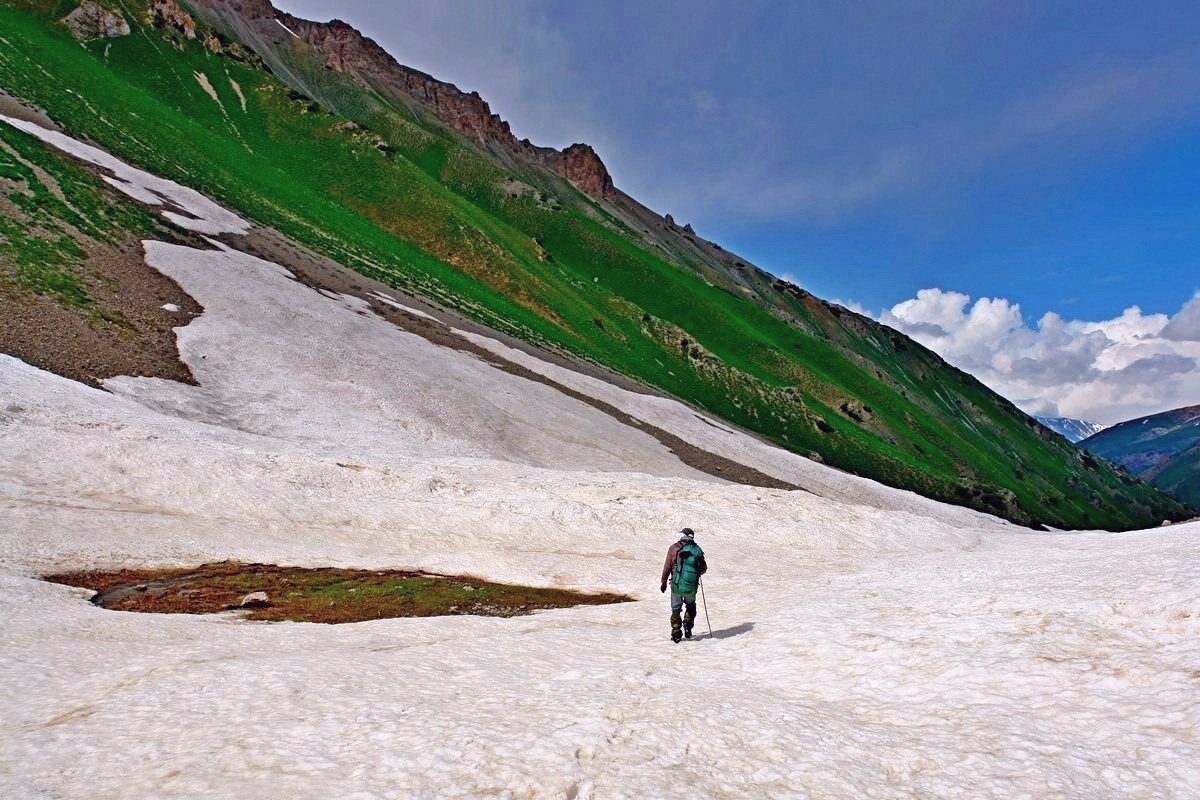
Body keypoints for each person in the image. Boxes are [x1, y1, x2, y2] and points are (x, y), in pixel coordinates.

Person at [660, 527, 707, 642]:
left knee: (676, 608)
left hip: (676, 584)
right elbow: (704, 568)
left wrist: (664, 581)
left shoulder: (674, 548)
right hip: (691, 586)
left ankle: (676, 631)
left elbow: (667, 567)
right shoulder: (697, 549)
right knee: (690, 606)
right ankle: (687, 625)